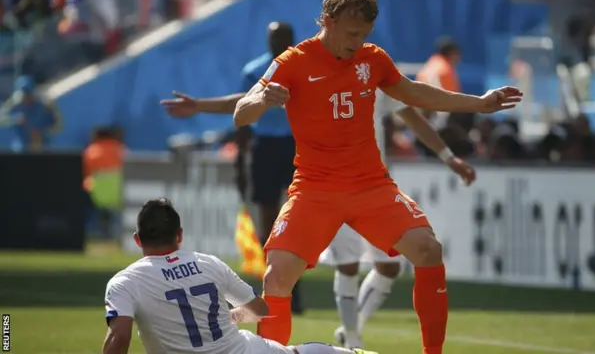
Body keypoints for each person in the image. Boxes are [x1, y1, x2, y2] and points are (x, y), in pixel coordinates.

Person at [233, 0, 522, 353]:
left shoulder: (373, 59)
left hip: (370, 186)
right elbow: (240, 113)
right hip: (314, 189)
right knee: (276, 275)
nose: (357, 43)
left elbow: (414, 93)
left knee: (428, 250)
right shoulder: (293, 61)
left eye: (364, 34)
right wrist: (260, 101)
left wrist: (478, 102)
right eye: (352, 33)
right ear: (327, 19)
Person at [102, 198, 376, 354]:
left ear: (138, 239)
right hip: (241, 351)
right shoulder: (208, 263)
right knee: (300, 352)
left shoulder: (125, 283)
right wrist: (232, 316)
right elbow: (259, 310)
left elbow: (120, 337)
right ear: (180, 235)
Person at [161, 21, 305, 314]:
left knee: (296, 219)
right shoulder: (256, 70)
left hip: (298, 148)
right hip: (265, 147)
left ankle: (293, 288)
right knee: (268, 219)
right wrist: (239, 161)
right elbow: (239, 108)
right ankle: (276, 288)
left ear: (292, 39)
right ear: (268, 40)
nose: (279, 42)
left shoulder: (303, 67)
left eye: (284, 37)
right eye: (274, 37)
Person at [320, 93, 476, 349]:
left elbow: (412, 117)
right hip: (332, 186)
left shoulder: (373, 75)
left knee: (389, 267)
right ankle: (352, 340)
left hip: (374, 188)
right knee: (347, 264)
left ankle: (353, 329)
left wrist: (449, 157)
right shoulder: (315, 73)